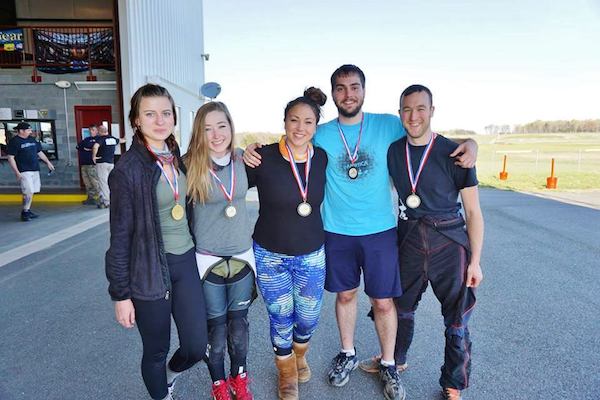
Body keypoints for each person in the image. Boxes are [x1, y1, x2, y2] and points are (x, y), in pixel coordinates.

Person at [244, 65, 478, 400]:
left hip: (381, 231)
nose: (348, 94)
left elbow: (424, 131)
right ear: (334, 94)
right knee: (346, 296)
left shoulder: (388, 124)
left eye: (354, 87)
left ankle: (388, 363)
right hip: (336, 231)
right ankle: (348, 353)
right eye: (340, 88)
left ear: (364, 91)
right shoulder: (320, 131)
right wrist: (247, 151)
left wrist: (470, 144)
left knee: (384, 302)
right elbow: (289, 143)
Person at [105, 83, 208, 400]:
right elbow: (119, 238)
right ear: (136, 119)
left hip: (185, 261)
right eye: (150, 114)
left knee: (194, 346)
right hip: (148, 271)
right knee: (156, 349)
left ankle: (169, 377)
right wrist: (120, 295)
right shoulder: (127, 170)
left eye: (166, 113)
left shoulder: (178, 157)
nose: (160, 120)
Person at [384, 84, 483, 400]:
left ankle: (452, 382)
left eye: (420, 108)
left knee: (456, 317)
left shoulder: (456, 153)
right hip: (409, 238)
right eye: (407, 109)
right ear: (400, 113)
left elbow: (473, 212)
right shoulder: (392, 151)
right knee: (400, 307)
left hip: (448, 241)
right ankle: (395, 361)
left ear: (432, 111)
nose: (414, 116)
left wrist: (476, 260)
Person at [246, 88, 328, 400]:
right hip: (269, 255)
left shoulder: (321, 158)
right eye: (294, 120)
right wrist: (242, 152)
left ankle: (300, 355)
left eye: (308, 122)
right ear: (284, 122)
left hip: (311, 254)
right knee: (280, 316)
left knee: (308, 317)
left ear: (315, 127)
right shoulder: (262, 157)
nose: (300, 127)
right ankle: (286, 373)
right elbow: (227, 180)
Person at [184, 101, 256, 400]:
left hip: (242, 257)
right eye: (207, 128)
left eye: (221, 126)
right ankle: (218, 383)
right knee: (215, 332)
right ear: (199, 132)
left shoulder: (246, 160)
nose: (216, 135)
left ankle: (239, 377)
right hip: (207, 260)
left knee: (238, 327)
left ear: (231, 127)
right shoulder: (188, 164)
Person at [7, 122, 55, 221]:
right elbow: (10, 158)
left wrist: (48, 162)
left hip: (34, 168)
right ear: (21, 131)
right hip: (24, 170)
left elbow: (39, 152)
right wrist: (17, 172)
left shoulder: (32, 139)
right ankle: (25, 212)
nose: (30, 131)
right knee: (28, 191)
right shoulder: (14, 142)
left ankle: (27, 210)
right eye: (28, 130)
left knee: (32, 191)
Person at [92, 124, 118, 208]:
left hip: (102, 163)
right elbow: (121, 140)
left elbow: (95, 146)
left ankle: (107, 201)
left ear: (99, 132)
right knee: (111, 182)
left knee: (103, 182)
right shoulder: (113, 139)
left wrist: (94, 156)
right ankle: (114, 199)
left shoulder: (101, 139)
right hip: (111, 163)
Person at [76, 124, 100, 205]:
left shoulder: (99, 139)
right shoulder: (86, 139)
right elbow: (79, 146)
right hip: (84, 164)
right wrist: (86, 148)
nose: (91, 132)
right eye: (90, 130)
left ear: (97, 131)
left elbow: (94, 148)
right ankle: (91, 198)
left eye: (93, 130)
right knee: (87, 182)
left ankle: (101, 198)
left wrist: (89, 148)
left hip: (92, 164)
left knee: (94, 181)